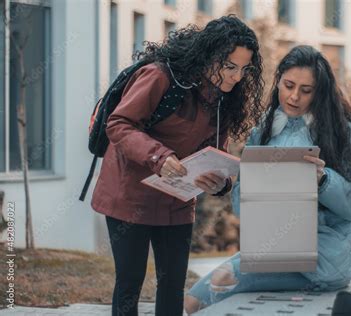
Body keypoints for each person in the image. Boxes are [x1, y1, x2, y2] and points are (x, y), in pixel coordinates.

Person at [90, 16, 264, 316]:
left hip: (177, 200)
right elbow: (118, 124)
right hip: (129, 194)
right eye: (230, 66)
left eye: (243, 69)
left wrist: (221, 183)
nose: (237, 77)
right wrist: (158, 156)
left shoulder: (224, 98)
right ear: (210, 55)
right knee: (130, 284)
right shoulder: (160, 76)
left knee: (173, 286)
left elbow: (215, 152)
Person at [184, 45, 351, 314]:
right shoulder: (264, 130)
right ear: (278, 84)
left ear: (319, 94)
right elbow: (243, 209)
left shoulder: (344, 133)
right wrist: (244, 184)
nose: (294, 96)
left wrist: (323, 181)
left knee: (220, 281)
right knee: (192, 301)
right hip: (274, 251)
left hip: (323, 262)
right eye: (288, 85)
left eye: (306, 90)